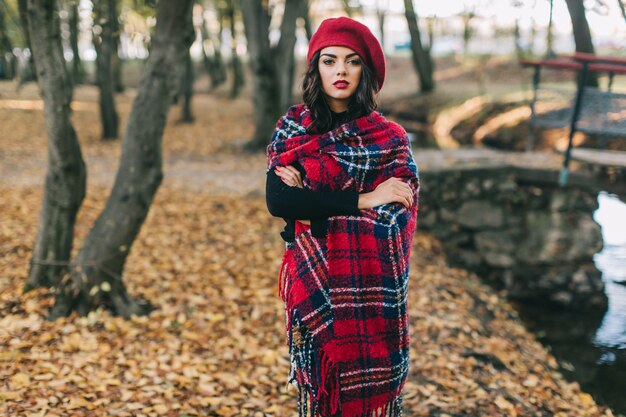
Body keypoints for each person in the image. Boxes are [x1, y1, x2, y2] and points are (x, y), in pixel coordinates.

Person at [265, 16, 420, 417]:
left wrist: (313, 201)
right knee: (322, 393)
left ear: (364, 71)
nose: (341, 71)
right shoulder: (293, 128)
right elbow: (280, 202)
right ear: (316, 66)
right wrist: (364, 199)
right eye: (330, 60)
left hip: (372, 290)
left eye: (352, 62)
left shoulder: (389, 139)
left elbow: (393, 221)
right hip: (314, 283)